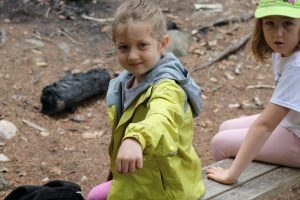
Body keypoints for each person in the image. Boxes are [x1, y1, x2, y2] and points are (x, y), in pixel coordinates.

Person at [87, 0, 205, 199]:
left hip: (169, 189)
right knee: (94, 196)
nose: (133, 56)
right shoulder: (124, 84)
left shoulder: (168, 86)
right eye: (124, 47)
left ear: (162, 44)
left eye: (142, 45)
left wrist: (136, 138)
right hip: (142, 180)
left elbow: (161, 117)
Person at [206, 0, 300, 185]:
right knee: (225, 127)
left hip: (297, 137)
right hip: (292, 122)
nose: (277, 33)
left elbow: (265, 126)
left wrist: (232, 175)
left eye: (288, 23)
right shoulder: (283, 51)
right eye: (269, 23)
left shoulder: (297, 66)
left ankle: (228, 192)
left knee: (220, 143)